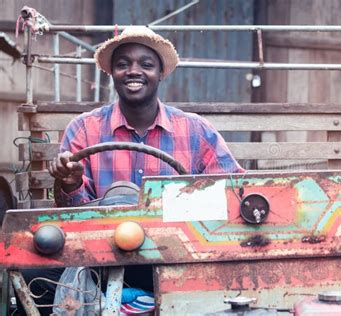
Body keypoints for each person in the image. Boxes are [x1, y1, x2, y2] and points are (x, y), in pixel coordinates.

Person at [19, 26, 243, 315]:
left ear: (160, 72)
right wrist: (70, 183)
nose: (133, 71)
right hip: (100, 260)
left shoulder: (195, 130)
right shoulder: (84, 129)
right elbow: (72, 223)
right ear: (112, 72)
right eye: (123, 64)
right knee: (27, 275)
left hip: (173, 257)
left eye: (146, 64)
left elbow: (234, 192)